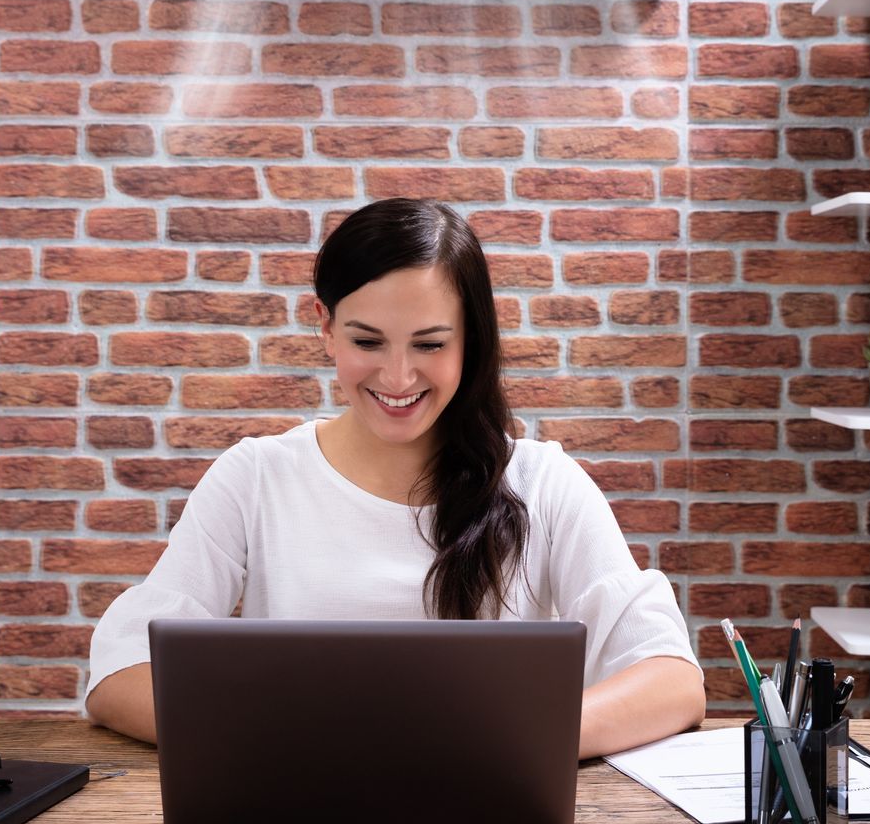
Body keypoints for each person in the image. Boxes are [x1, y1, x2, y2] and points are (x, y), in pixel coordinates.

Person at [84, 197, 705, 759]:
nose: (399, 377)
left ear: (471, 341)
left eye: (430, 344)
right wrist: (296, 736)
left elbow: (671, 679)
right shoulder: (256, 477)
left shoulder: (542, 482)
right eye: (368, 341)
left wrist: (504, 740)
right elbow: (118, 674)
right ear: (325, 326)